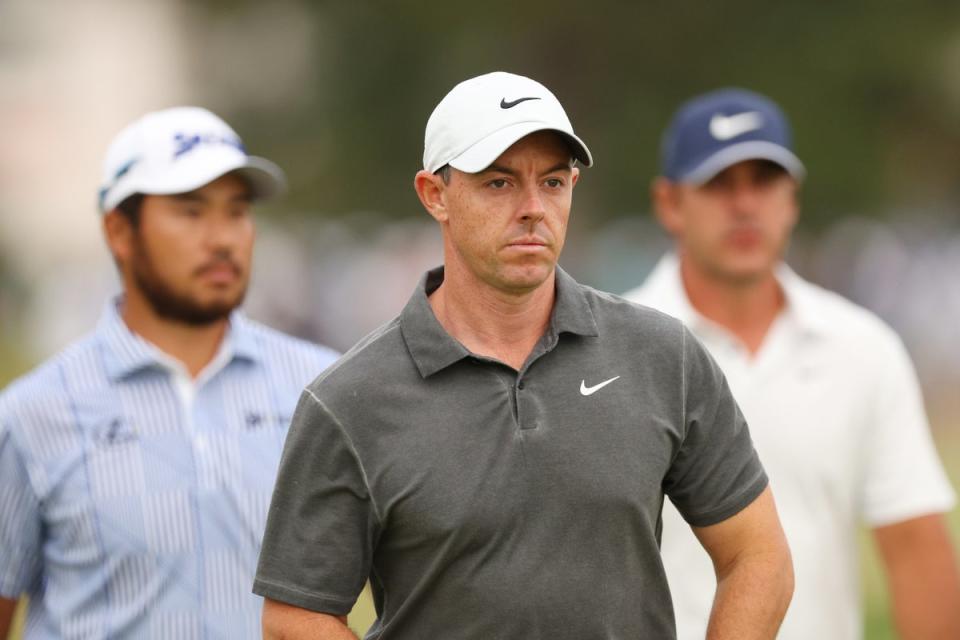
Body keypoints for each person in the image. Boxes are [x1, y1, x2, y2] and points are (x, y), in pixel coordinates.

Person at [254, 71, 793, 640]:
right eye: (499, 184)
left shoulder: (662, 356)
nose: (534, 208)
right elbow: (296, 617)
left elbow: (759, 557)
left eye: (554, 182)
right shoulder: (349, 399)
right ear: (435, 194)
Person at [623, 88, 960, 639]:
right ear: (669, 204)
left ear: (792, 198)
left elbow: (916, 548)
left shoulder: (862, 348)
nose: (745, 204)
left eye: (764, 180)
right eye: (718, 183)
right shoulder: (615, 348)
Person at [0, 106, 339, 639]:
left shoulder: (323, 390)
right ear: (120, 231)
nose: (223, 238)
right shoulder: (34, 413)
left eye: (237, 211)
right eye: (191, 211)